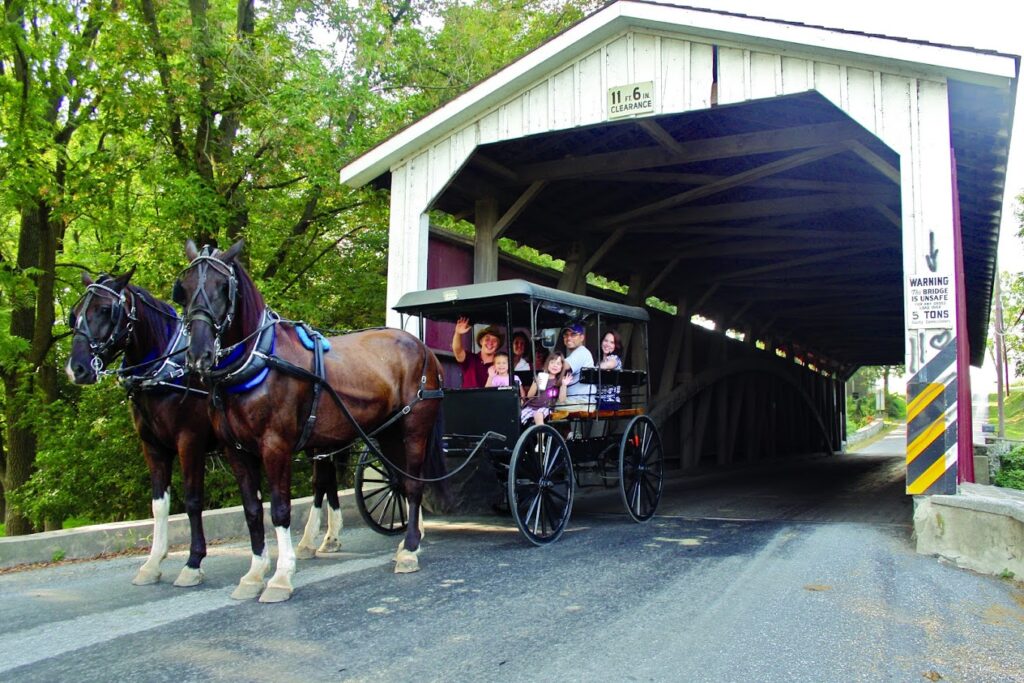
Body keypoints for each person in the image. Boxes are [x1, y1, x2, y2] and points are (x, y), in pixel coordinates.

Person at [520, 352, 571, 425]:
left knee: (538, 415)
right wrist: (535, 383)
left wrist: (564, 385)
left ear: (561, 367)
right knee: (517, 418)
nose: (555, 365)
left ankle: (541, 436)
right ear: (548, 364)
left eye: (558, 363)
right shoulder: (541, 376)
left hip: (546, 407)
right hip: (531, 406)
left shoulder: (559, 381)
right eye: (552, 362)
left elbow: (562, 400)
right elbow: (529, 396)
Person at [452, 317, 502, 389]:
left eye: (494, 340)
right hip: (468, 399)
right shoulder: (470, 358)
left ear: (498, 345)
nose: (490, 343)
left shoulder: (501, 365)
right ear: (481, 341)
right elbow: (457, 350)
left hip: (491, 399)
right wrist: (458, 333)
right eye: (487, 339)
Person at [561, 322, 595, 405]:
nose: (569, 338)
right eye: (566, 335)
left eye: (573, 334)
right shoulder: (575, 353)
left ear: (582, 337)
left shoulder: (581, 352)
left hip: (580, 401)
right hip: (575, 400)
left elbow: (563, 366)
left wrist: (549, 364)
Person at [597, 329, 623, 410]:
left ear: (616, 346)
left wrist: (594, 368)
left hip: (609, 402)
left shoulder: (615, 358)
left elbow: (608, 364)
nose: (607, 344)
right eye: (606, 340)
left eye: (612, 342)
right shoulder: (599, 361)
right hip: (596, 401)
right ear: (602, 342)